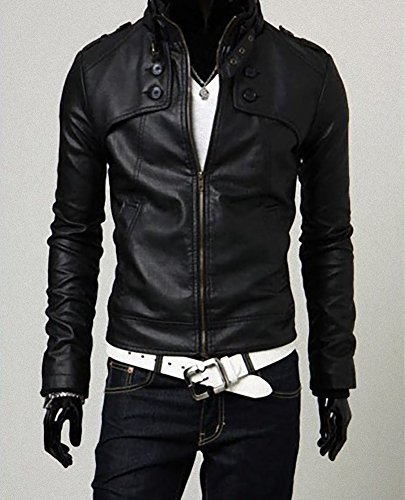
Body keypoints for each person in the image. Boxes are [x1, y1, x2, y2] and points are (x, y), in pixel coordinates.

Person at [41, 0, 357, 498]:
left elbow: (328, 238)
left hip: (261, 379)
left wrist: (333, 373)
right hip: (142, 379)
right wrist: (64, 375)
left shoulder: (307, 75)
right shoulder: (101, 71)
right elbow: (75, 234)